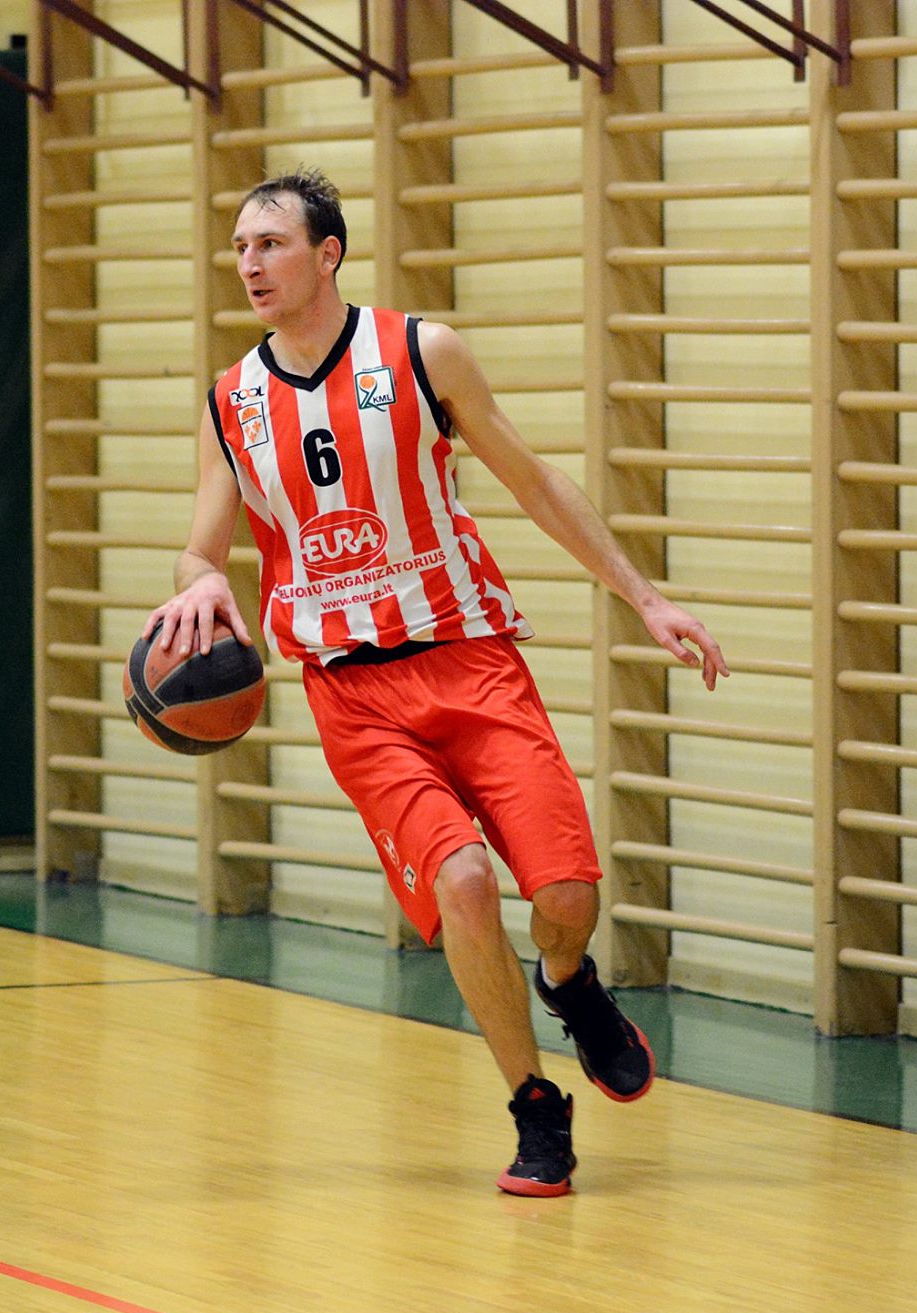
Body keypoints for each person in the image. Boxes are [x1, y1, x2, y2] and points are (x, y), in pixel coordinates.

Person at [146, 169, 729, 1196]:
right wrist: (198, 583)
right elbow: (204, 543)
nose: (249, 264)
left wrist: (643, 598)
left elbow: (533, 482)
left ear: (327, 253)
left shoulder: (422, 352)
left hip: (470, 660)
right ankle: (534, 1106)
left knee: (567, 896)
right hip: (353, 696)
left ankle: (568, 980)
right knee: (462, 883)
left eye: (270, 243)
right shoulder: (230, 402)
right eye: (239, 247)